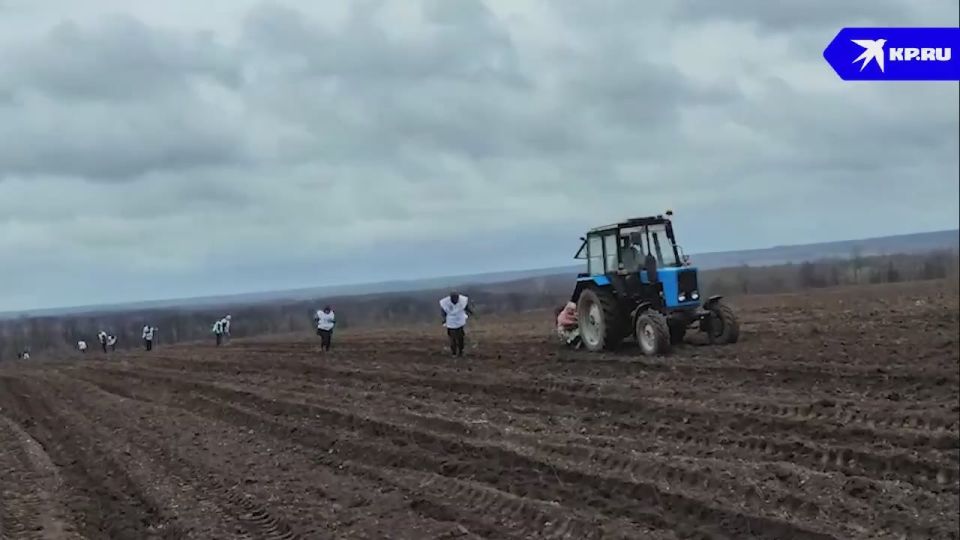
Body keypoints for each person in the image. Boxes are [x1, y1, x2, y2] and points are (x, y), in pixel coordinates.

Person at [440, 291, 473, 357]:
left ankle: (461, 351)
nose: (456, 299)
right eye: (454, 298)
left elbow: (466, 307)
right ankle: (454, 352)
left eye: (457, 298)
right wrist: (444, 319)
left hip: (460, 320)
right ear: (451, 298)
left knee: (461, 337)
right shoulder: (445, 303)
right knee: (453, 338)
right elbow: (443, 312)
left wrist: (471, 312)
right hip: (451, 322)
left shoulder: (462, 300)